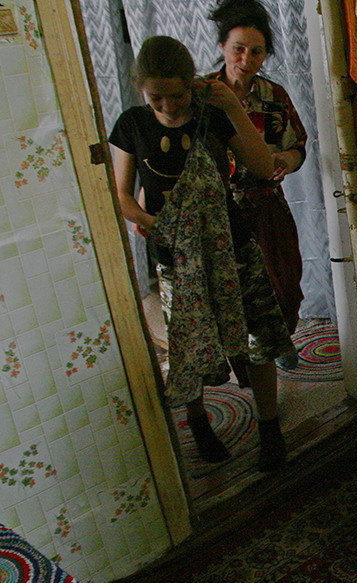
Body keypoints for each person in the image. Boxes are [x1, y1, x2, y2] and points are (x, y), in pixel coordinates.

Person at [109, 35, 292, 473]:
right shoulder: (131, 124)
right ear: (141, 90)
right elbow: (122, 196)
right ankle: (198, 422)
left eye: (178, 95)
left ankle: (270, 428)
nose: (169, 106)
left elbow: (264, 168)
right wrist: (154, 225)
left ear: (191, 83)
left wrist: (231, 105)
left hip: (232, 246)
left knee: (259, 338)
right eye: (158, 98)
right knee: (189, 345)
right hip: (176, 257)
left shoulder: (214, 114)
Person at [209, 0, 308, 369]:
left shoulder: (273, 96)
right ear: (223, 47)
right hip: (220, 210)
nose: (246, 58)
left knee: (283, 281)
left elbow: (298, 145)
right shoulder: (203, 96)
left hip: (266, 203)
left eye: (257, 51)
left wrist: (287, 160)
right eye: (238, 48)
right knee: (232, 291)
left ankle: (281, 339)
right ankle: (244, 357)